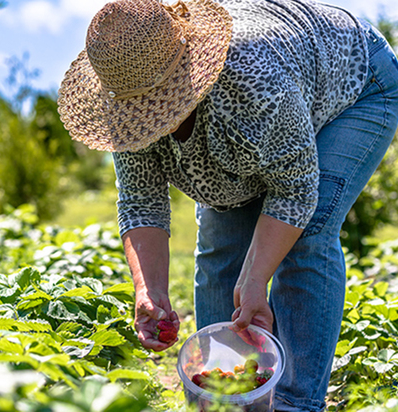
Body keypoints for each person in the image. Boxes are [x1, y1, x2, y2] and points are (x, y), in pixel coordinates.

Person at [57, 0, 398, 409]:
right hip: (273, 112)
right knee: (221, 254)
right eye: (140, 107)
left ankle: (295, 402)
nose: (150, 115)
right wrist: (150, 291)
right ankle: (223, 398)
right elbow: (141, 202)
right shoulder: (129, 106)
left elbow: (294, 192)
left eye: (157, 103)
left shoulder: (252, 80)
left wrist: (255, 281)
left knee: (306, 235)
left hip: (354, 83)